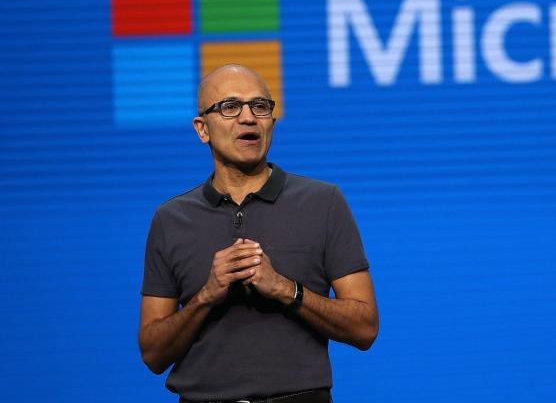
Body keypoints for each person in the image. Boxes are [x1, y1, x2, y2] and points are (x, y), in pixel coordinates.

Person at [138, 64, 378, 403]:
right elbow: (152, 353)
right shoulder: (171, 219)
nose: (248, 118)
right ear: (202, 129)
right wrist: (207, 295)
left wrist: (284, 289)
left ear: (272, 122)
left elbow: (365, 327)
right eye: (230, 107)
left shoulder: (323, 202)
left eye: (260, 106)